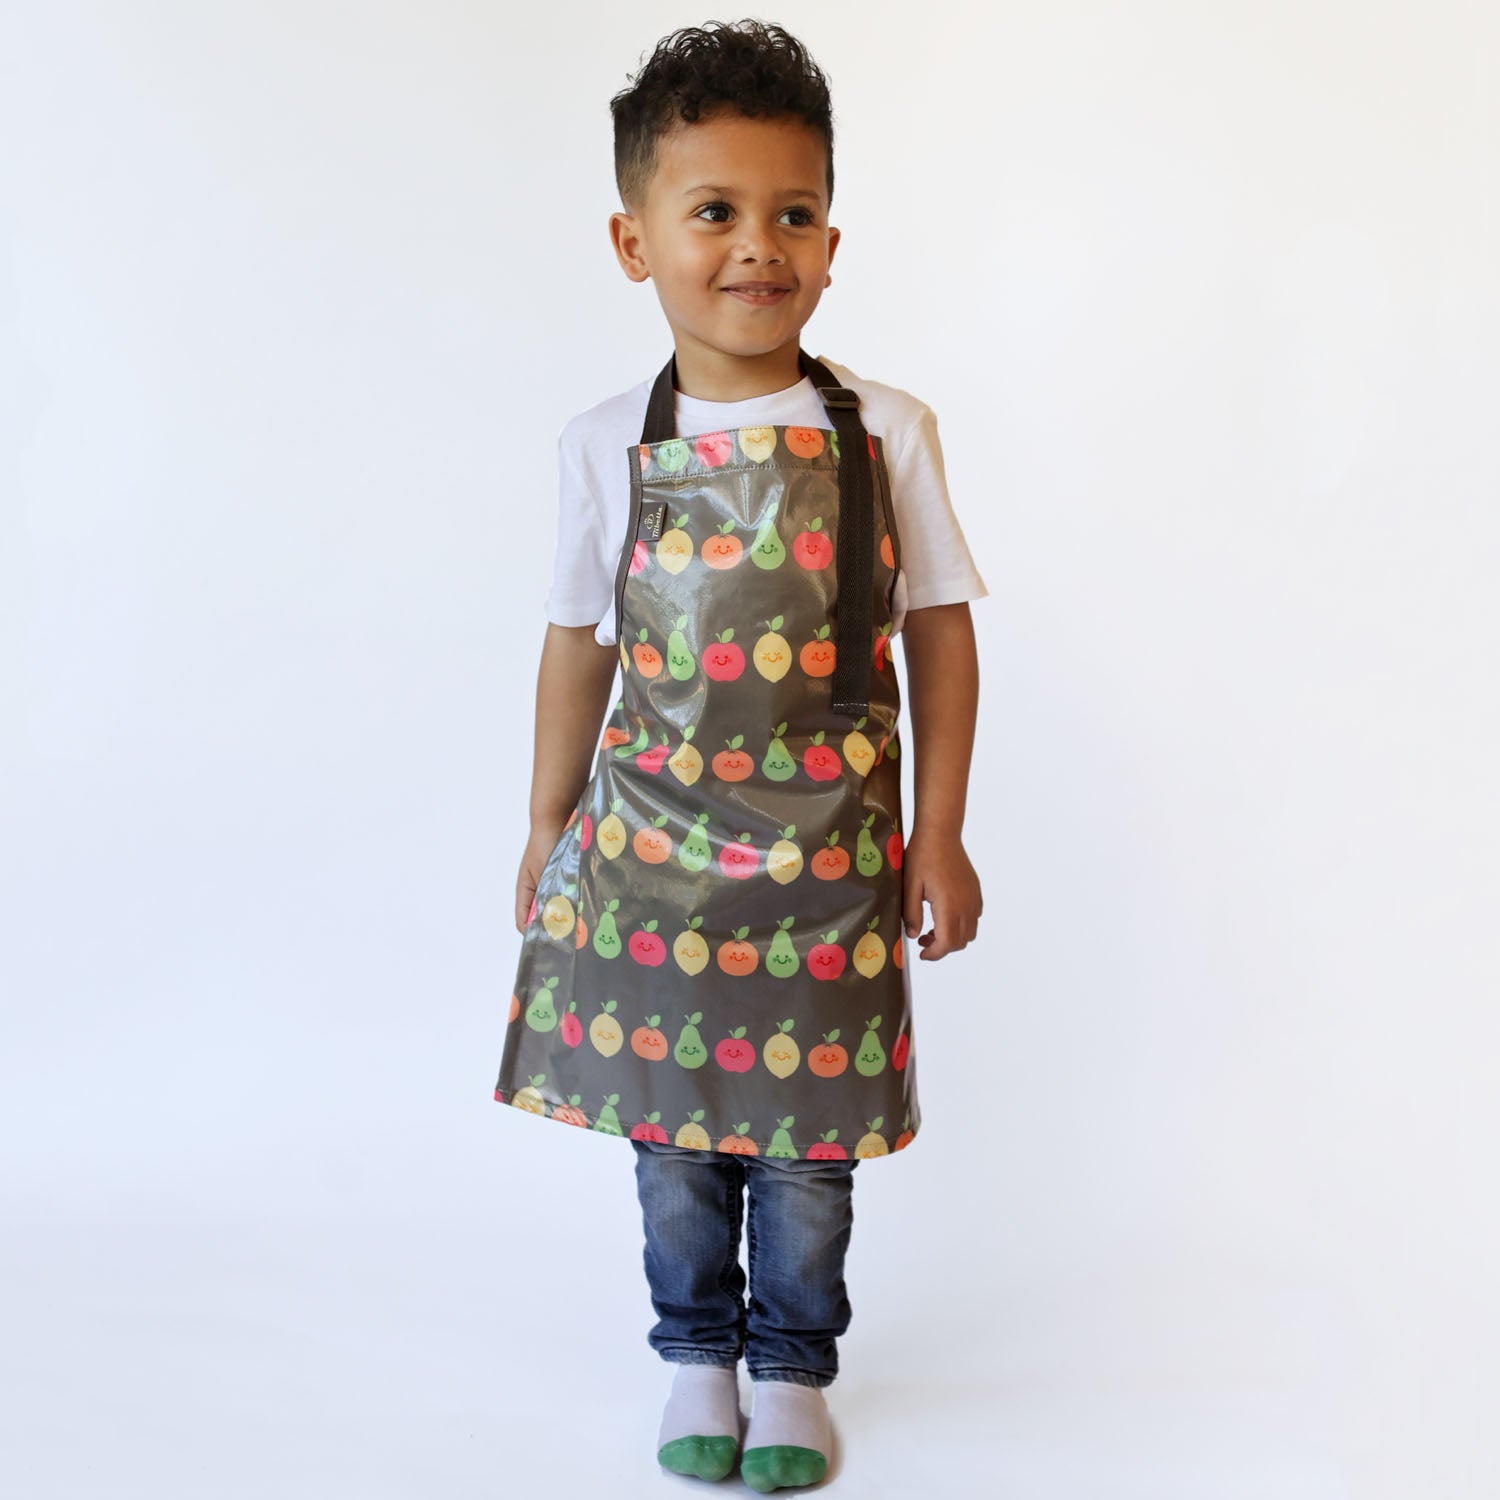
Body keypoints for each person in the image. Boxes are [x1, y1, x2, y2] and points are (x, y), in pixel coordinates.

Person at [493, 19, 985, 1491]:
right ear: (634, 239)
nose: (756, 246)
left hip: (831, 865)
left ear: (831, 237)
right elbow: (579, 641)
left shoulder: (883, 430)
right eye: (713, 211)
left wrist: (941, 832)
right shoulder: (603, 444)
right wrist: (544, 820)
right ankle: (695, 1352)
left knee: (809, 1150)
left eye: (792, 213)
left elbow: (943, 632)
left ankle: (793, 1368)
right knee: (675, 1143)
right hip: (652, 862)